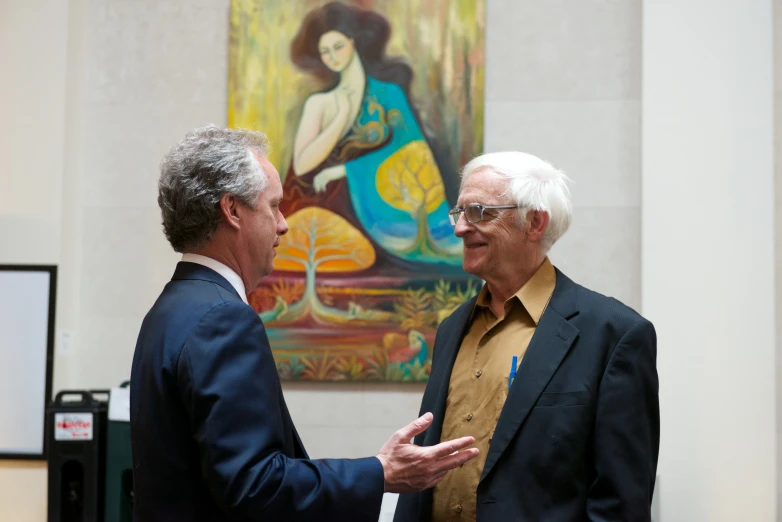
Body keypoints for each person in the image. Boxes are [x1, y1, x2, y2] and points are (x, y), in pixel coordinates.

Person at [129, 125, 479, 522]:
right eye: (273, 205)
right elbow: (256, 486)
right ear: (232, 210)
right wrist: (381, 472)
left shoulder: (169, 308)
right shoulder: (223, 318)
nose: (283, 224)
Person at [393, 152, 660, 522]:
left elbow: (621, 503)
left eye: (480, 212)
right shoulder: (453, 327)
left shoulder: (613, 334)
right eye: (460, 213)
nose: (459, 229)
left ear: (534, 222)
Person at [281, 1, 462, 271]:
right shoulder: (320, 103)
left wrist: (344, 171)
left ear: (353, 43)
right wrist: (338, 120)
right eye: (325, 51)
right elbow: (304, 164)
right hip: (323, 199)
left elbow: (411, 148)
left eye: (338, 46)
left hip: (379, 198)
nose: (333, 56)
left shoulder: (388, 94)